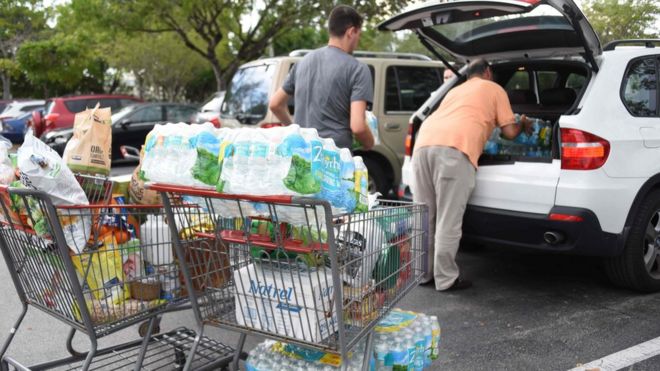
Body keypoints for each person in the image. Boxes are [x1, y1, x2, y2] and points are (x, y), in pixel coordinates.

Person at [413, 58, 532, 291]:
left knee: (424, 216)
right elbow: (508, 132)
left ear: (469, 75)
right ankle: (446, 279)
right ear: (488, 72)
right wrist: (523, 124)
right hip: (454, 150)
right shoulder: (494, 88)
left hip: (423, 146)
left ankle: (423, 275)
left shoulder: (455, 91)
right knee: (449, 219)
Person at [268, 5, 374, 151]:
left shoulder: (302, 63)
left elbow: (275, 104)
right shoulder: (358, 69)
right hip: (334, 162)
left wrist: (294, 128)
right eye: (358, 35)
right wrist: (370, 143)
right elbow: (358, 126)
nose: (358, 41)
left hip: (303, 156)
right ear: (351, 32)